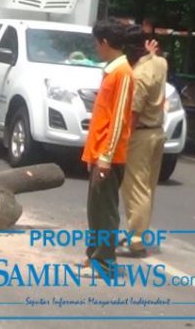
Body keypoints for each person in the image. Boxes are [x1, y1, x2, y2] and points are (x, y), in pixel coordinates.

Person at [81, 18, 134, 277]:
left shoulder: (123, 73)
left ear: (104, 42)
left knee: (106, 211)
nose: (96, 48)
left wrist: (106, 156)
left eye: (96, 43)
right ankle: (94, 256)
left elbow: (119, 119)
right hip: (99, 152)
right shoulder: (112, 71)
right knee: (95, 209)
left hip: (109, 156)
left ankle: (104, 261)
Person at [119, 26, 167, 258]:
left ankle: (136, 242)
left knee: (136, 190)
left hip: (140, 134)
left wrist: (118, 141)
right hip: (157, 132)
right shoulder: (159, 63)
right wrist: (150, 53)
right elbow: (154, 59)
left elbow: (132, 116)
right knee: (147, 188)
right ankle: (136, 233)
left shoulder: (138, 76)